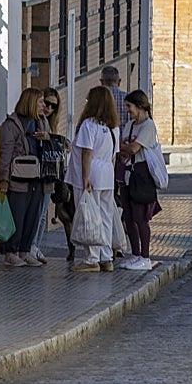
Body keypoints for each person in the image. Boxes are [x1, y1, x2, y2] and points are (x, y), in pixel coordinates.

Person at [66, 86, 120, 272]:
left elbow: (87, 152)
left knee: (90, 216)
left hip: (91, 173)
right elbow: (114, 156)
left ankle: (91, 258)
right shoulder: (114, 129)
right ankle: (106, 257)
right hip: (107, 174)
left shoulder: (89, 125)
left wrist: (85, 177)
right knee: (105, 216)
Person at [0, 87, 51, 267]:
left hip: (38, 177)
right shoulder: (11, 125)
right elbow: (5, 153)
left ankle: (25, 250)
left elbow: (52, 144)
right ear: (30, 102)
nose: (44, 105)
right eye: (40, 101)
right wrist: (3, 178)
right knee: (17, 215)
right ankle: (11, 252)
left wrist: (47, 138)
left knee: (33, 216)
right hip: (18, 177)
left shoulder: (42, 122)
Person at [116, 89, 162, 271]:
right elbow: (121, 147)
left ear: (140, 106)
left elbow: (134, 148)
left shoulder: (148, 126)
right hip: (126, 173)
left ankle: (145, 256)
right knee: (128, 217)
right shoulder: (129, 126)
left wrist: (125, 148)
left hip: (141, 176)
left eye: (130, 106)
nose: (128, 110)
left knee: (140, 217)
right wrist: (125, 148)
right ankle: (135, 254)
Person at [28, 87, 65, 265]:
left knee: (43, 212)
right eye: (46, 103)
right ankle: (31, 245)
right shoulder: (36, 121)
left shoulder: (51, 125)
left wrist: (51, 138)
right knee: (37, 211)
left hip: (50, 172)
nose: (48, 108)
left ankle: (36, 245)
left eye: (53, 106)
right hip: (39, 172)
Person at [101, 65, 130, 129]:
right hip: (124, 137)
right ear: (119, 82)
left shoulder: (97, 100)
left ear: (102, 82)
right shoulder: (129, 98)